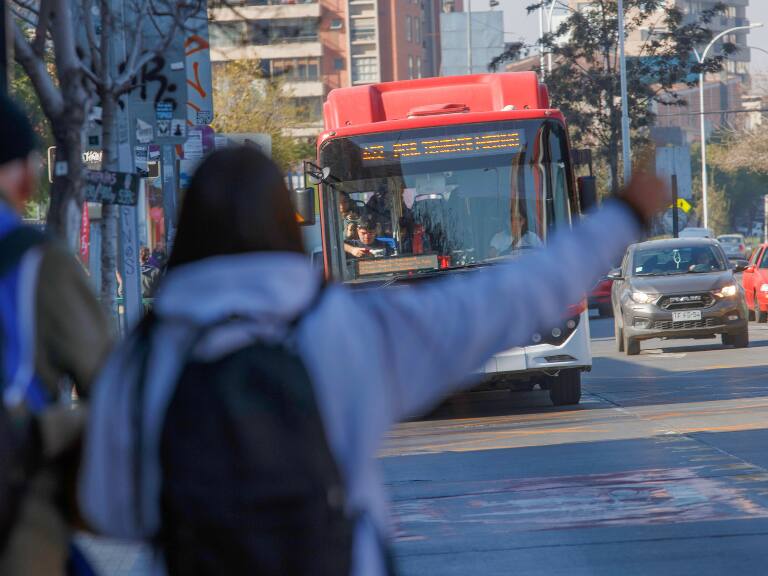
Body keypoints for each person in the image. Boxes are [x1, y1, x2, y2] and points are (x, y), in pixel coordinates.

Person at [79, 146, 668, 576]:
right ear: (290, 225)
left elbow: (112, 510)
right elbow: (514, 297)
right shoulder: (345, 329)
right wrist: (622, 214)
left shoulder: (141, 359)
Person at [0, 96, 111, 575]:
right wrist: (53, 430)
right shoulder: (35, 264)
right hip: (18, 528)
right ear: (25, 177)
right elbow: (114, 390)